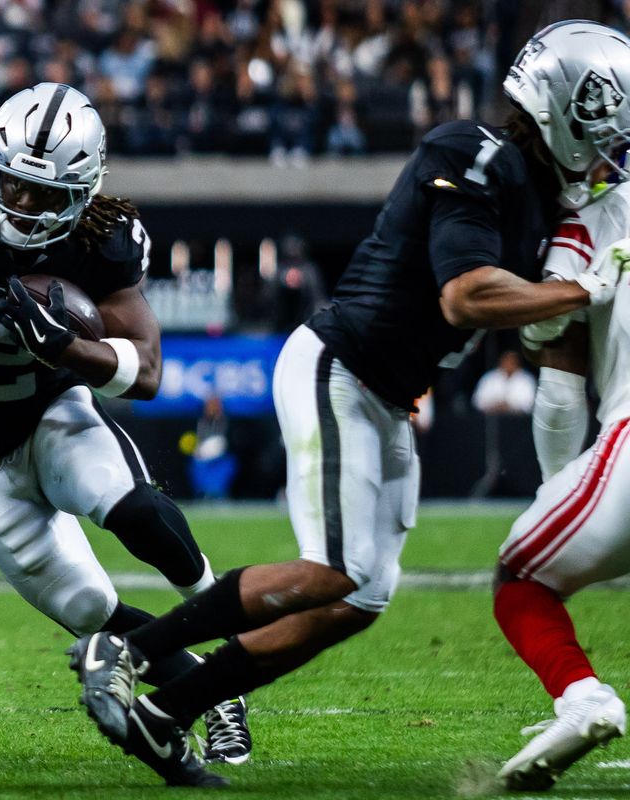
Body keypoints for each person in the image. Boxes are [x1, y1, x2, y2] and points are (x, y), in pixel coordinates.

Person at [68, 20, 630, 787]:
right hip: (341, 367)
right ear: (566, 113)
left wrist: (560, 310)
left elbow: (533, 328)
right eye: (605, 136)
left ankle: (166, 716)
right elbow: (465, 296)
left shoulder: (540, 202)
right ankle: (126, 652)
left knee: (355, 599)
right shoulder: (474, 152)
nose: (608, 157)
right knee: (333, 571)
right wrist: (583, 289)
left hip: (388, 396)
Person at [0, 81, 249, 767]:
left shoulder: (102, 237)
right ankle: (211, 687)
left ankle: (232, 645)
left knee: (135, 509)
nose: (21, 204)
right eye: (11, 183)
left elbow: (145, 372)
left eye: (43, 194)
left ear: (83, 194)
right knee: (89, 607)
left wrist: (66, 347)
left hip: (53, 414)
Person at [490, 177, 630, 788]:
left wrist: (557, 489)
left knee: (520, 577)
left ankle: (582, 696)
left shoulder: (596, 214)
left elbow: (559, 376)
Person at [472, 350, 536, 415]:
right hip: (491, 417)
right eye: (507, 360)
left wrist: (509, 406)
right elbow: (477, 401)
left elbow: (529, 404)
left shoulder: (527, 379)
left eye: (512, 361)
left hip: (518, 418)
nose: (509, 363)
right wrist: (496, 405)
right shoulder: (489, 377)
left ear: (517, 363)